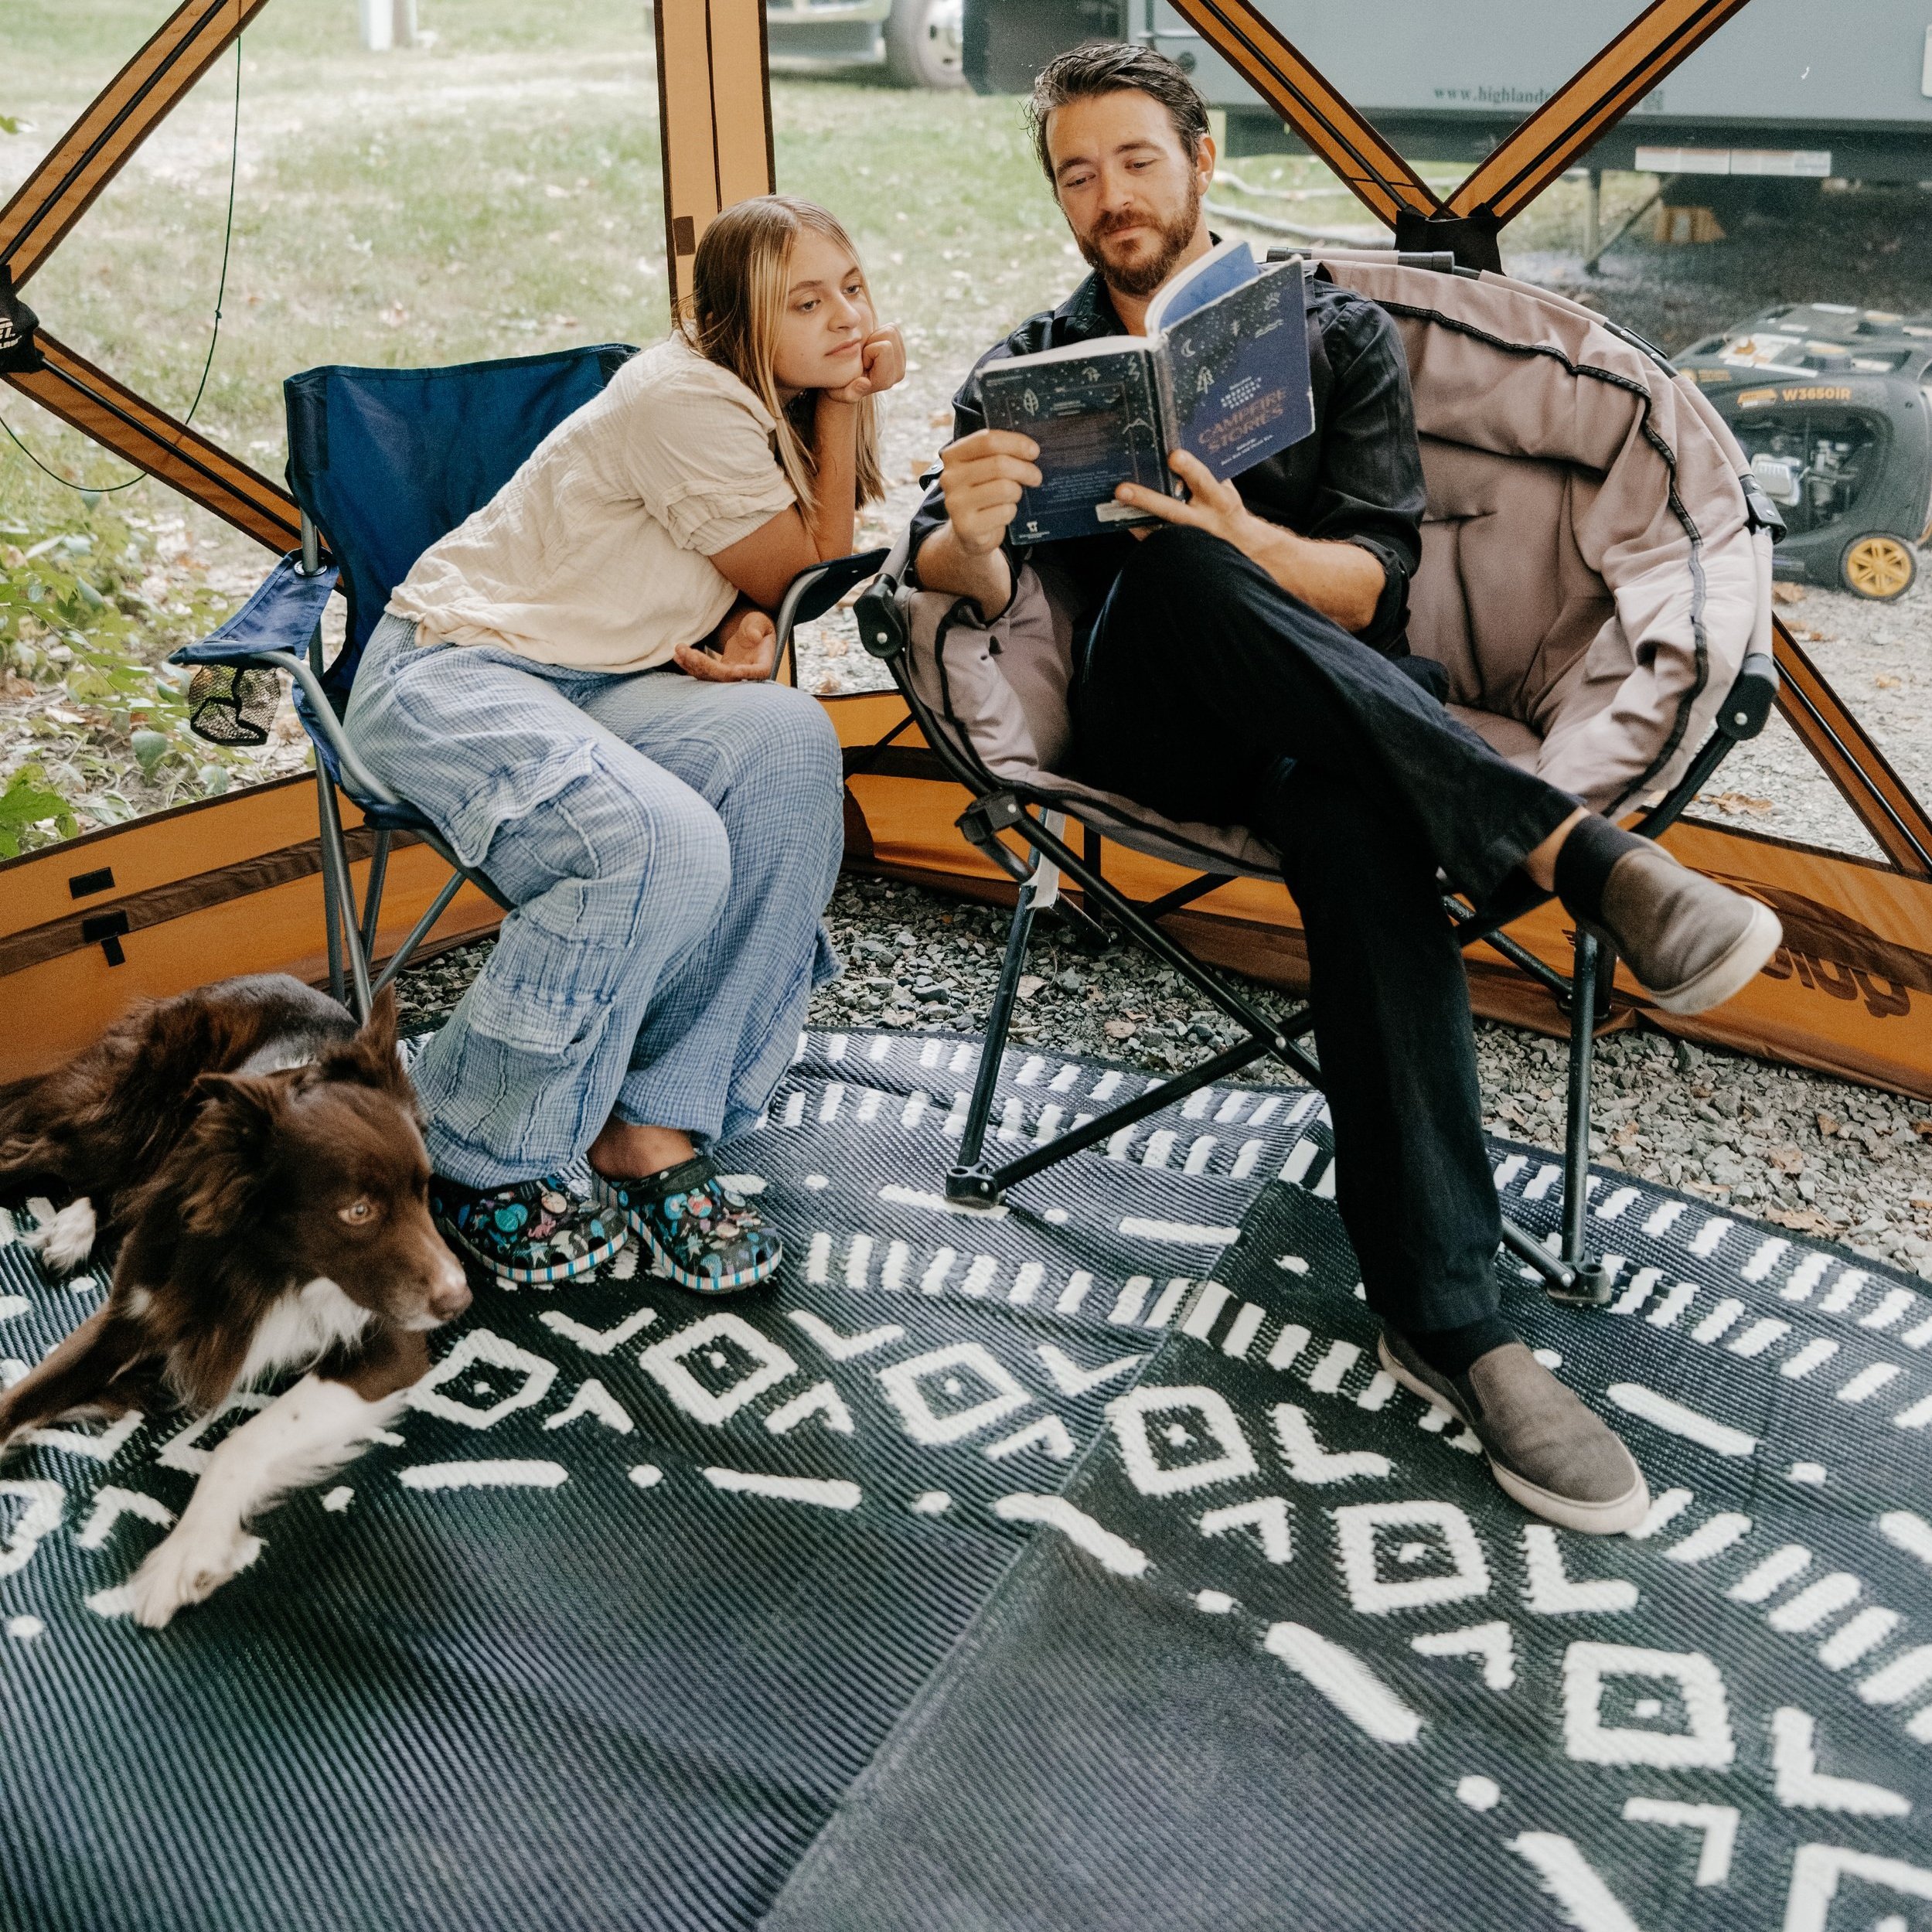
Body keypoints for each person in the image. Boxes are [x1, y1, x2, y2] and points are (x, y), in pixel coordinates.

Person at [909, 43, 1783, 1535]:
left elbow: (1374, 587)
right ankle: (1574, 857)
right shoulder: (1033, 372)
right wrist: (968, 540)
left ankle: (1456, 1327)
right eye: (1076, 173)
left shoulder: (1335, 334)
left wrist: (1249, 539)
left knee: (1358, 821)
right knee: (1172, 569)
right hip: (1151, 722)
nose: (1110, 197)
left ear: (1202, 160)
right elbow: (970, 587)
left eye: (1135, 160)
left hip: (1338, 721)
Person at [346, 196, 903, 1293]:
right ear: (738, 321)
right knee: (659, 840)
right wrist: (847, 405)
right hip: (454, 672)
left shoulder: (759, 398)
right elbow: (808, 568)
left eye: (851, 288)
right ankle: (473, 1146)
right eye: (806, 302)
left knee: (791, 744)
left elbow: (780, 581)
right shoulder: (685, 396)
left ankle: (648, 1120)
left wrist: (750, 619)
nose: (846, 317)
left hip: (606, 682)